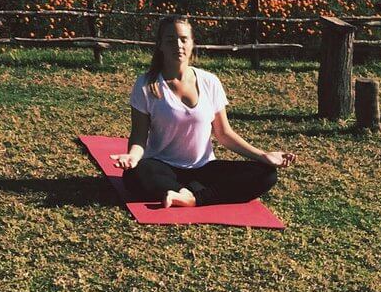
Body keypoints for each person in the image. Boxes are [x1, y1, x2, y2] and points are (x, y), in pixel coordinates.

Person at [111, 15, 296, 208]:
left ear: (192, 43)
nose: (178, 45)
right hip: (162, 167)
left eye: (184, 39)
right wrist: (132, 157)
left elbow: (224, 133)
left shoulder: (210, 81)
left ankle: (191, 198)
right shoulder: (146, 85)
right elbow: (139, 136)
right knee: (134, 175)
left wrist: (263, 155)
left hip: (204, 169)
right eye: (170, 40)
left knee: (266, 175)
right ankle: (188, 191)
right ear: (160, 45)